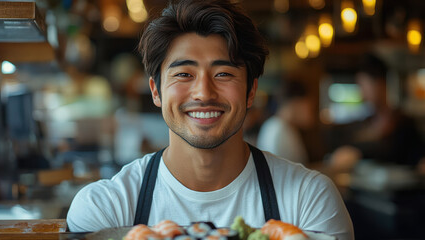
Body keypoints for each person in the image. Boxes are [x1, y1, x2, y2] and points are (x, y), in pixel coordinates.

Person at [67, 1, 354, 239]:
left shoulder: (310, 201)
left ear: (250, 91)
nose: (204, 92)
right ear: (156, 91)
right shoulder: (104, 211)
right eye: (184, 74)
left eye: (224, 74)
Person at [328, 53, 425, 170]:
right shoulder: (367, 122)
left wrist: (359, 153)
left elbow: (417, 160)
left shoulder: (404, 123)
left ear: (380, 84)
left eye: (364, 85)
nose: (362, 93)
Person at [257, 80, 314, 164]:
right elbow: (290, 175)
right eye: (311, 108)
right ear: (297, 102)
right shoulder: (280, 130)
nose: (311, 113)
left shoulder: (275, 126)